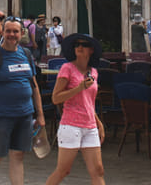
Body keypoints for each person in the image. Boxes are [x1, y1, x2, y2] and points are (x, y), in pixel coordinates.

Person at [0, 17, 45, 185]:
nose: (12, 35)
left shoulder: (26, 54)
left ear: (22, 33)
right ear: (3, 32)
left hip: (24, 115)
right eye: (8, 31)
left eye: (15, 31)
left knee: (18, 155)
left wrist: (40, 114)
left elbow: (34, 86)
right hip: (1, 116)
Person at [44, 34, 105, 185]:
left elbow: (89, 102)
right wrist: (79, 88)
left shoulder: (94, 72)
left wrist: (99, 123)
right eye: (77, 44)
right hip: (71, 125)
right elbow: (56, 98)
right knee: (63, 170)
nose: (79, 47)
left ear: (91, 50)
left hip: (90, 125)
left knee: (98, 170)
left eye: (84, 45)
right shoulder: (67, 68)